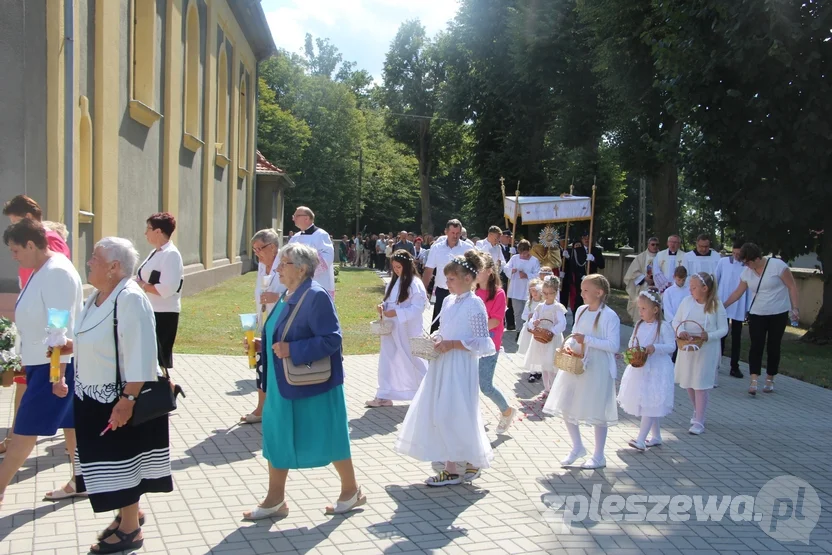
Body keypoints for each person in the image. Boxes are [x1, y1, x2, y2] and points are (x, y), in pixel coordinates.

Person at [62, 237, 176, 553]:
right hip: (92, 398)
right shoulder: (97, 296)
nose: (89, 262)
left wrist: (128, 400)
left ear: (114, 267)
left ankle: (130, 529)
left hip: (119, 399)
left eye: (95, 258)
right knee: (111, 462)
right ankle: (129, 514)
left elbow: (141, 352)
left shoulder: (129, 298)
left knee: (122, 461)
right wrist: (73, 346)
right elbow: (97, 336)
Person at [244, 242, 365, 519]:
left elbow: (332, 339)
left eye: (284, 263)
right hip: (282, 382)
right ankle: (275, 500)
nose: (278, 268)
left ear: (301, 269)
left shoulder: (315, 295)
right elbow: (282, 332)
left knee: (331, 435)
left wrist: (292, 350)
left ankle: (351, 491)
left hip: (313, 383)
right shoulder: (288, 294)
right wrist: (262, 344)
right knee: (276, 435)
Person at [0, 219, 83, 504]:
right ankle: (81, 479)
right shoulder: (43, 268)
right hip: (44, 363)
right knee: (72, 425)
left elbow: (58, 326)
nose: (13, 256)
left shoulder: (56, 272)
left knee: (24, 429)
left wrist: (57, 375)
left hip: (54, 366)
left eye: (15, 250)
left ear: (32, 245)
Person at [395, 251, 494, 486]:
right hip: (442, 363)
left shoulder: (475, 303)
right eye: (446, 278)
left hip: (460, 365)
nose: (447, 283)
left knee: (453, 411)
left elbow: (483, 342)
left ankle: (453, 469)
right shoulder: (449, 301)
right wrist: (438, 339)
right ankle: (468, 459)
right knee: (442, 410)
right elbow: (446, 328)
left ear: (468, 279)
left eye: (451, 279)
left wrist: (453, 344)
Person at [1, 195, 72, 458]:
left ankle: (15, 441)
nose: (14, 255)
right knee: (67, 408)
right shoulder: (39, 261)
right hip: (41, 344)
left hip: (48, 347)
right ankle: (78, 467)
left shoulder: (52, 261)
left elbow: (58, 315)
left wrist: (57, 369)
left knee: (40, 397)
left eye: (17, 221)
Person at [544, 274, 620, 470]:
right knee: (567, 403)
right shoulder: (581, 310)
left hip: (598, 366)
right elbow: (575, 335)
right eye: (582, 289)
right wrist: (569, 345)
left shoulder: (610, 316)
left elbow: (613, 345)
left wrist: (587, 340)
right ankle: (577, 446)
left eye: (586, 290)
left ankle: (599, 455)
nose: (582, 293)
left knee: (597, 410)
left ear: (599, 292)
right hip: (576, 363)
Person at [723, 243, 799, 396]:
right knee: (756, 345)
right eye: (744, 263)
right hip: (757, 313)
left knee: (773, 345)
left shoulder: (777, 266)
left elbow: (792, 286)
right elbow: (738, 292)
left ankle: (770, 378)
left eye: (748, 262)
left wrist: (795, 308)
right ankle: (754, 380)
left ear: (757, 258)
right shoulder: (747, 272)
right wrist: (723, 306)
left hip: (778, 312)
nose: (747, 265)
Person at [368, 250, 428, 407]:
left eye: (399, 267)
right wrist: (383, 306)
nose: (396, 270)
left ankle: (427, 390)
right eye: (394, 267)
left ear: (407, 266)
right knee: (387, 359)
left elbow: (418, 308)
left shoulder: (415, 284)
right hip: (390, 329)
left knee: (413, 359)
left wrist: (397, 312)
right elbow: (388, 301)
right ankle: (384, 394)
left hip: (407, 329)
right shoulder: (393, 283)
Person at [617, 291, 676, 451]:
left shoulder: (663, 326)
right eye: (639, 308)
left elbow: (672, 346)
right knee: (649, 402)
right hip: (641, 368)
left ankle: (641, 439)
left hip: (657, 369)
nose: (640, 312)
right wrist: (631, 352)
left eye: (644, 308)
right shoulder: (639, 325)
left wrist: (655, 348)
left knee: (651, 402)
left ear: (655, 310)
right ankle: (655, 436)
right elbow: (632, 342)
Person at [673, 272, 728, 435]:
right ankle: (698, 410)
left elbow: (724, 329)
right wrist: (681, 330)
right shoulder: (686, 302)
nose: (690, 290)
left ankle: (699, 420)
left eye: (694, 287)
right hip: (688, 347)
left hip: (706, 350)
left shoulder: (716, 305)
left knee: (701, 383)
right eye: (690, 287)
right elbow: (676, 320)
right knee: (689, 381)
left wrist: (709, 336)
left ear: (705, 288)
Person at [241, 229, 283, 424]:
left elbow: (299, 290)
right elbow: (259, 294)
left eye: (260, 248)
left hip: (283, 322)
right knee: (261, 363)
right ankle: (261, 408)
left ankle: (275, 408)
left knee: (278, 366)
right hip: (266, 322)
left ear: (273, 247)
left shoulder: (286, 263)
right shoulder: (261, 267)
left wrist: (277, 298)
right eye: (254, 250)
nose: (257, 253)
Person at [136, 212, 184, 379]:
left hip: (164, 314)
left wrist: (141, 285)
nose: (145, 233)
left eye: (148, 229)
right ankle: (164, 389)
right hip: (151, 310)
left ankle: (164, 393)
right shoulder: (156, 252)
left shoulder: (171, 254)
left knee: (159, 358)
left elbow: (167, 288)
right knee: (151, 357)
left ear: (158, 231)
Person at [474, 252, 517, 434]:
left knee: (485, 386)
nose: (475, 272)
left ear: (490, 271)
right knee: (469, 382)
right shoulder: (472, 290)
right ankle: (472, 417)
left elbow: (495, 321)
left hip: (489, 345)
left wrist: (472, 327)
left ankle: (506, 411)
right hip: (471, 343)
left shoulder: (499, 293)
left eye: (479, 269)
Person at [422, 219, 475, 333]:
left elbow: (474, 271)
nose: (455, 236)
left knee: (457, 324)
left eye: (457, 233)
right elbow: (429, 270)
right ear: (446, 232)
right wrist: (423, 290)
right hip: (442, 291)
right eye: (452, 233)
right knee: (439, 322)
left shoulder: (467, 248)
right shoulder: (437, 248)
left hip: (461, 292)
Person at [524, 276, 567, 398]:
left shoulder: (557, 307)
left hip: (552, 339)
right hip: (540, 339)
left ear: (555, 292)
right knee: (544, 364)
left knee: (552, 365)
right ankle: (546, 388)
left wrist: (552, 331)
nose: (547, 296)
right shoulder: (540, 306)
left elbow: (562, 323)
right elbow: (532, 320)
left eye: (550, 293)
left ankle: (554, 389)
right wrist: (534, 323)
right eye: (545, 293)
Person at [715, 238, 750, 378]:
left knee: (736, 337)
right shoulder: (723, 262)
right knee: (721, 334)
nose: (736, 256)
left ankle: (734, 366)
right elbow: (716, 279)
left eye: (739, 253)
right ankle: (716, 363)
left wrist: (748, 308)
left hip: (739, 305)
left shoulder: (747, 266)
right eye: (734, 253)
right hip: (723, 302)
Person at [287, 206, 336, 297]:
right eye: (293, 216)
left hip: (317, 282)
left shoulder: (321, 235)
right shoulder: (295, 237)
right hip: (297, 282)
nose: (294, 218)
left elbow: (327, 258)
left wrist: (306, 272)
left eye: (296, 216)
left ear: (307, 218)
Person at [562, 232, 606, 315]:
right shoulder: (575, 250)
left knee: (591, 300)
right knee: (577, 302)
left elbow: (602, 265)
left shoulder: (595, 250)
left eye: (588, 237)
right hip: (579, 281)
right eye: (584, 237)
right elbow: (572, 266)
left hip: (592, 280)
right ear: (581, 239)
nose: (586, 239)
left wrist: (593, 259)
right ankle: (576, 320)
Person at [503, 240, 541, 335]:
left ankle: (528, 330)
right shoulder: (515, 258)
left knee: (528, 311)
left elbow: (538, 275)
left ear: (529, 250)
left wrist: (527, 275)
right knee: (517, 312)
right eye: (521, 253)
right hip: (516, 289)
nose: (523, 255)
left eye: (525, 253)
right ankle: (519, 331)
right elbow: (506, 268)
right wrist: (512, 270)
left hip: (528, 290)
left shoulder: (534, 260)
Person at [623, 237, 660, 322]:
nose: (655, 246)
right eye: (653, 244)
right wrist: (644, 278)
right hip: (644, 287)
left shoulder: (662, 257)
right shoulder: (640, 257)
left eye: (657, 244)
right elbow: (632, 273)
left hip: (658, 288)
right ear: (648, 245)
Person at [518, 279, 543, 374]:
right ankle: (532, 371)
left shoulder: (542, 303)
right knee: (530, 349)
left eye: (536, 290)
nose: (534, 293)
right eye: (532, 291)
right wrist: (529, 316)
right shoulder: (529, 303)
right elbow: (523, 315)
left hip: (540, 330)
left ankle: (539, 369)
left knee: (539, 349)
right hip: (530, 329)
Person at [499, 231, 517, 330]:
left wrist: (515, 253)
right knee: (503, 299)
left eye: (510, 237)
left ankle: (511, 323)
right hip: (502, 277)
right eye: (507, 237)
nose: (509, 239)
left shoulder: (513, 248)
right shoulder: (498, 248)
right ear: (501, 237)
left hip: (512, 278)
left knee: (510, 300)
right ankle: (502, 322)